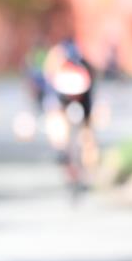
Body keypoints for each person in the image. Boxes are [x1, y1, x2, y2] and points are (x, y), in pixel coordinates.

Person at [41, 37, 99, 170]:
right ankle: (79, 154)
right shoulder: (80, 61)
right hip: (78, 89)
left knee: (58, 117)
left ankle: (66, 148)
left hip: (72, 89)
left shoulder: (58, 61)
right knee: (82, 126)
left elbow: (49, 80)